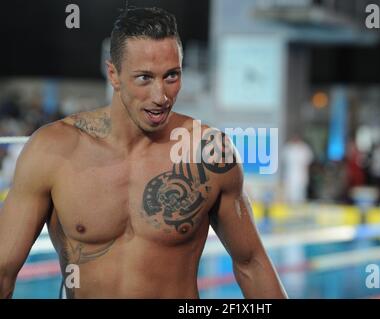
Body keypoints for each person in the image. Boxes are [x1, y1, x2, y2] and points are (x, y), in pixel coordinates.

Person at [0, 7, 287, 299]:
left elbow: (251, 263)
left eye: (171, 76)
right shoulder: (53, 150)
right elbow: (3, 270)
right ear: (113, 74)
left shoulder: (209, 154)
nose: (160, 96)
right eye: (144, 78)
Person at [282, 134, 313, 204]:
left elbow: (308, 164)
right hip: (289, 176)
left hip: (301, 175)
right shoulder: (288, 148)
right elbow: (284, 164)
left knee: (300, 195)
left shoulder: (304, 149)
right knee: (289, 195)